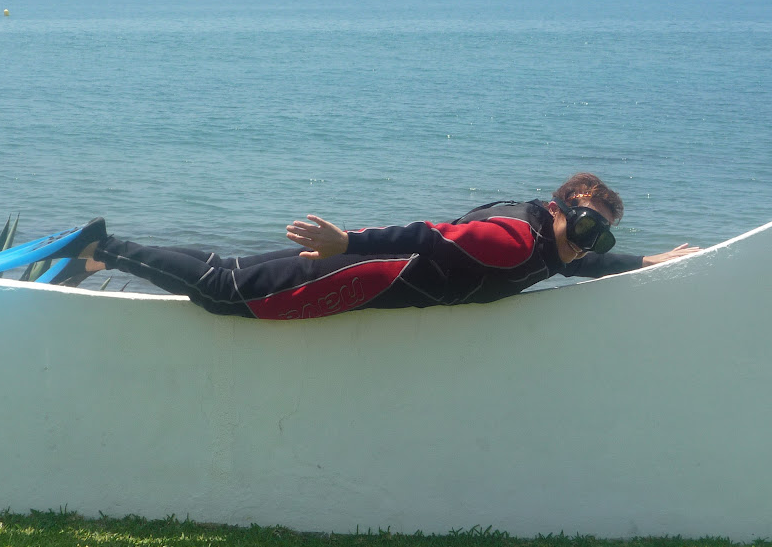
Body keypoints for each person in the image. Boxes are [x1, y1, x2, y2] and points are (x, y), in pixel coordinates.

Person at [71, 173, 699, 320]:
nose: (589, 244)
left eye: (601, 234)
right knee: (223, 293)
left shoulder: (545, 238)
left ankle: (98, 254)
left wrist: (649, 261)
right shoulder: (516, 239)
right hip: (362, 271)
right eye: (586, 226)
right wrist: (348, 240)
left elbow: (584, 265)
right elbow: (429, 235)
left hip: (359, 267)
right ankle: (107, 248)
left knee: (226, 271)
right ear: (560, 211)